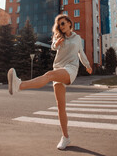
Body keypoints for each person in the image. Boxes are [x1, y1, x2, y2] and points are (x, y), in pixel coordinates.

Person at [7, 14, 92, 150]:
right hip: (59, 67)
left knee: (49, 75)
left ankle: (19, 85)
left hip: (70, 69)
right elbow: (53, 46)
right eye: (59, 25)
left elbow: (81, 53)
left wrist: (87, 65)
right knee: (60, 106)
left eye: (63, 23)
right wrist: (56, 44)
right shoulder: (59, 37)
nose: (61, 26)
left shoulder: (77, 38)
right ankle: (65, 137)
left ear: (70, 23)